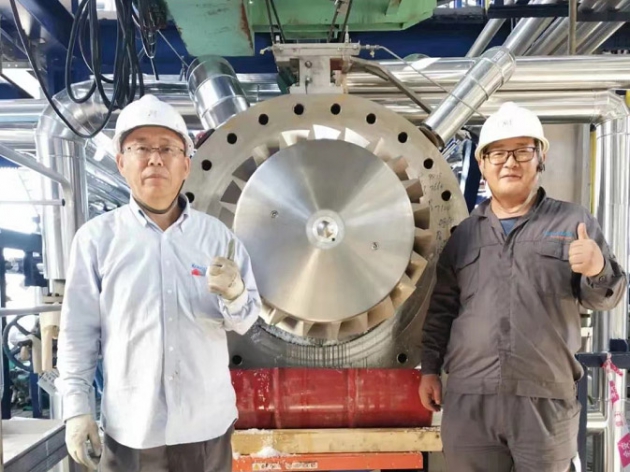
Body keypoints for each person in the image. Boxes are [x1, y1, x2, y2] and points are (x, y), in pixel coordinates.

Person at [56, 94, 261, 472]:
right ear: (121, 162)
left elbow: (246, 322)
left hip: (205, 427)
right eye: (141, 148)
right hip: (132, 428)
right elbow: (77, 335)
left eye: (167, 148)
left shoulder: (217, 238)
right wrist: (76, 410)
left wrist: (236, 295)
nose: (155, 159)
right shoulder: (97, 240)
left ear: (186, 165)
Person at [419, 102, 626, 472]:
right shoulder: (464, 235)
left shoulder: (572, 222)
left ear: (540, 157)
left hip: (544, 399)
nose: (509, 162)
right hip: (471, 400)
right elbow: (442, 310)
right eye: (497, 153)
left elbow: (606, 296)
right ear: (482, 163)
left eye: (522, 151)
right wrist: (430, 370)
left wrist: (598, 268)